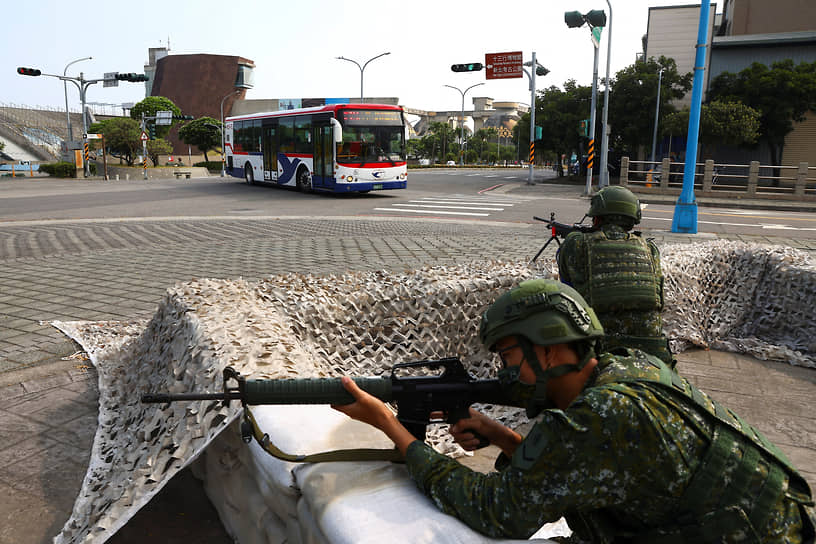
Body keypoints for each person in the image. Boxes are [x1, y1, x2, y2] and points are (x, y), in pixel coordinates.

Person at [333, 279, 815, 542]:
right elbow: (581, 469)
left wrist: (391, 427)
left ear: (549, 350)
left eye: (508, 358)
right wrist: (501, 436)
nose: (504, 374)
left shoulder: (602, 416)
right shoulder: (632, 370)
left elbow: (498, 512)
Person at [557, 185, 674, 366]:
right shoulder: (650, 249)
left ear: (597, 217)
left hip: (600, 349)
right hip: (653, 352)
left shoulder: (576, 244)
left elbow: (567, 290)